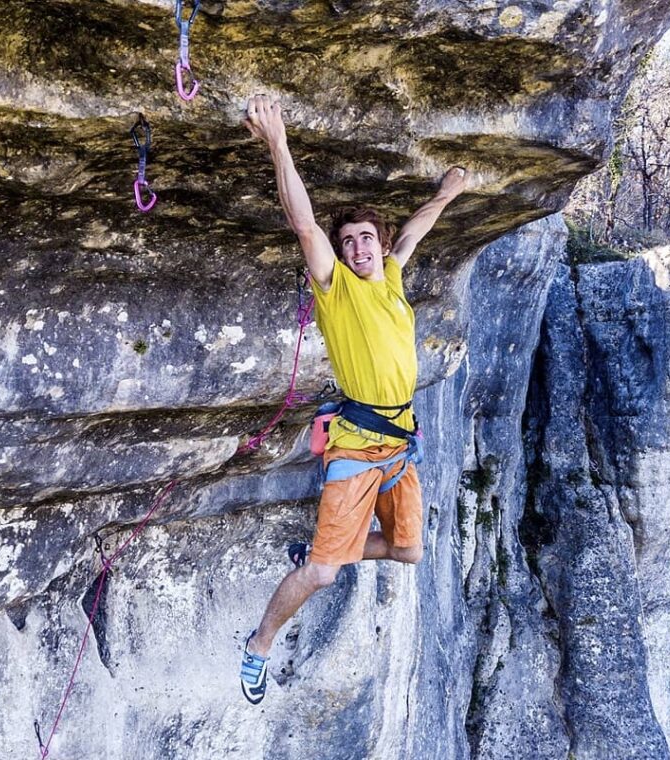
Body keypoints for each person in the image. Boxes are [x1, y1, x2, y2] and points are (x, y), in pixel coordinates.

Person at [239, 95, 470, 704]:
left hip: (400, 446)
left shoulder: (391, 276)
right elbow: (304, 224)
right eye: (350, 242)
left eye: (366, 239)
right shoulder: (337, 288)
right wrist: (278, 143)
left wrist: (447, 193)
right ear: (340, 254)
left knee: (409, 551)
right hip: (358, 445)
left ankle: (324, 546)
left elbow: (415, 229)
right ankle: (259, 644)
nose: (358, 248)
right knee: (322, 572)